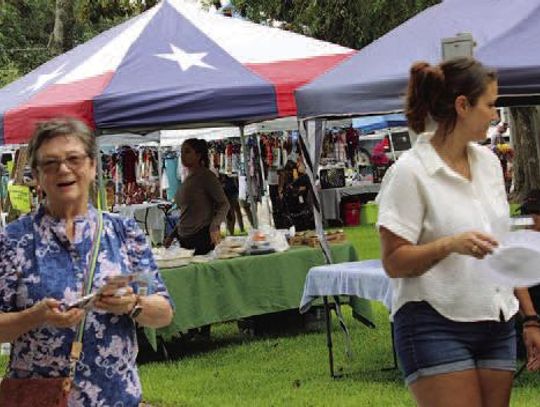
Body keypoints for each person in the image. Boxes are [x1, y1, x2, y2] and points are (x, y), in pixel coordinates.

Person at [377, 57, 540, 406]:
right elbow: (393, 262)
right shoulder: (410, 172)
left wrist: (530, 318)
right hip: (432, 323)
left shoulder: (490, 164)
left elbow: (502, 248)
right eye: (490, 105)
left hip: (497, 321)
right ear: (462, 106)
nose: (496, 115)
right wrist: (449, 245)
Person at [0, 118, 174, 406]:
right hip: (42, 399)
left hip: (116, 397)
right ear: (38, 176)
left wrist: (132, 304)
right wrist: (36, 316)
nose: (63, 169)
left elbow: (163, 312)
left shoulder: (123, 232)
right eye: (50, 163)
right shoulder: (12, 241)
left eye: (73, 159)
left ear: (93, 166)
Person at [164, 138, 229, 254]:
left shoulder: (206, 176)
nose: (183, 155)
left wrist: (215, 226)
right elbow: (186, 212)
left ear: (198, 155)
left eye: (187, 151)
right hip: (184, 238)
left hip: (201, 238)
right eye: (182, 152)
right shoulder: (187, 178)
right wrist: (172, 235)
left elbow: (224, 204)